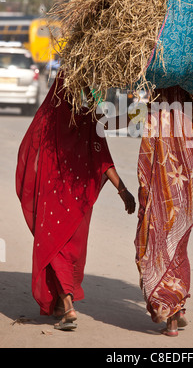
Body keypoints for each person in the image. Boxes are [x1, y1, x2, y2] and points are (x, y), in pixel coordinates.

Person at [16, 74, 135, 331]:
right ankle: (65, 304)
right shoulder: (84, 120)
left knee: (54, 247)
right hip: (78, 203)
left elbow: (27, 158)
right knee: (68, 252)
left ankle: (67, 306)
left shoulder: (47, 121)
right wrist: (122, 190)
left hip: (53, 199)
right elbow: (103, 151)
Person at [134, 86, 193, 336]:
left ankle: (165, 308)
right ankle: (176, 311)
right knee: (177, 248)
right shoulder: (192, 117)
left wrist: (145, 192)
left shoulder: (156, 113)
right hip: (185, 199)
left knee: (155, 247)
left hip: (160, 199)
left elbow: (146, 159)